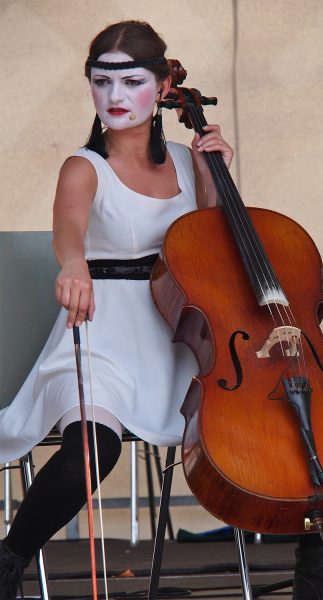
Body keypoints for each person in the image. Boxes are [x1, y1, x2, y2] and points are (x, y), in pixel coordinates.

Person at [0, 19, 233, 599]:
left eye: (130, 81)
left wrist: (217, 172)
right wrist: (73, 264)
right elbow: (69, 228)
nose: (115, 96)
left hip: (175, 334)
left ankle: (314, 550)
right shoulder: (84, 165)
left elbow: (214, 243)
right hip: (99, 331)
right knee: (93, 444)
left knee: (271, 415)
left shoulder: (185, 159)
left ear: (161, 89)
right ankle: (8, 559)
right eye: (101, 82)